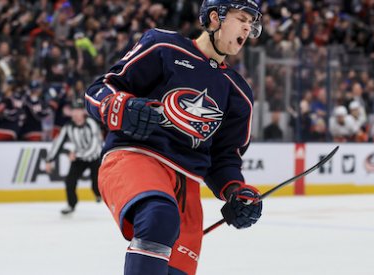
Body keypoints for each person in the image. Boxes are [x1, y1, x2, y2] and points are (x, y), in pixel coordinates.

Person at [84, 0, 263, 274]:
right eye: (241, 18)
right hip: (135, 158)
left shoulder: (238, 93)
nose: (247, 27)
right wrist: (118, 105)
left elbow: (224, 157)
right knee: (158, 216)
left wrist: (235, 192)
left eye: (251, 22)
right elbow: (100, 89)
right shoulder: (164, 47)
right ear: (215, 18)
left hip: (186, 185)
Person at [45, 99, 103, 215]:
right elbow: (58, 143)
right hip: (79, 159)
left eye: (79, 110)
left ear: (83, 112)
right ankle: (71, 205)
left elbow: (95, 146)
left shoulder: (91, 123)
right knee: (70, 181)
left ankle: (97, 194)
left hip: (94, 158)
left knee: (96, 184)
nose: (76, 113)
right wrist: (49, 160)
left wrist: (76, 154)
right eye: (74, 110)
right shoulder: (68, 127)